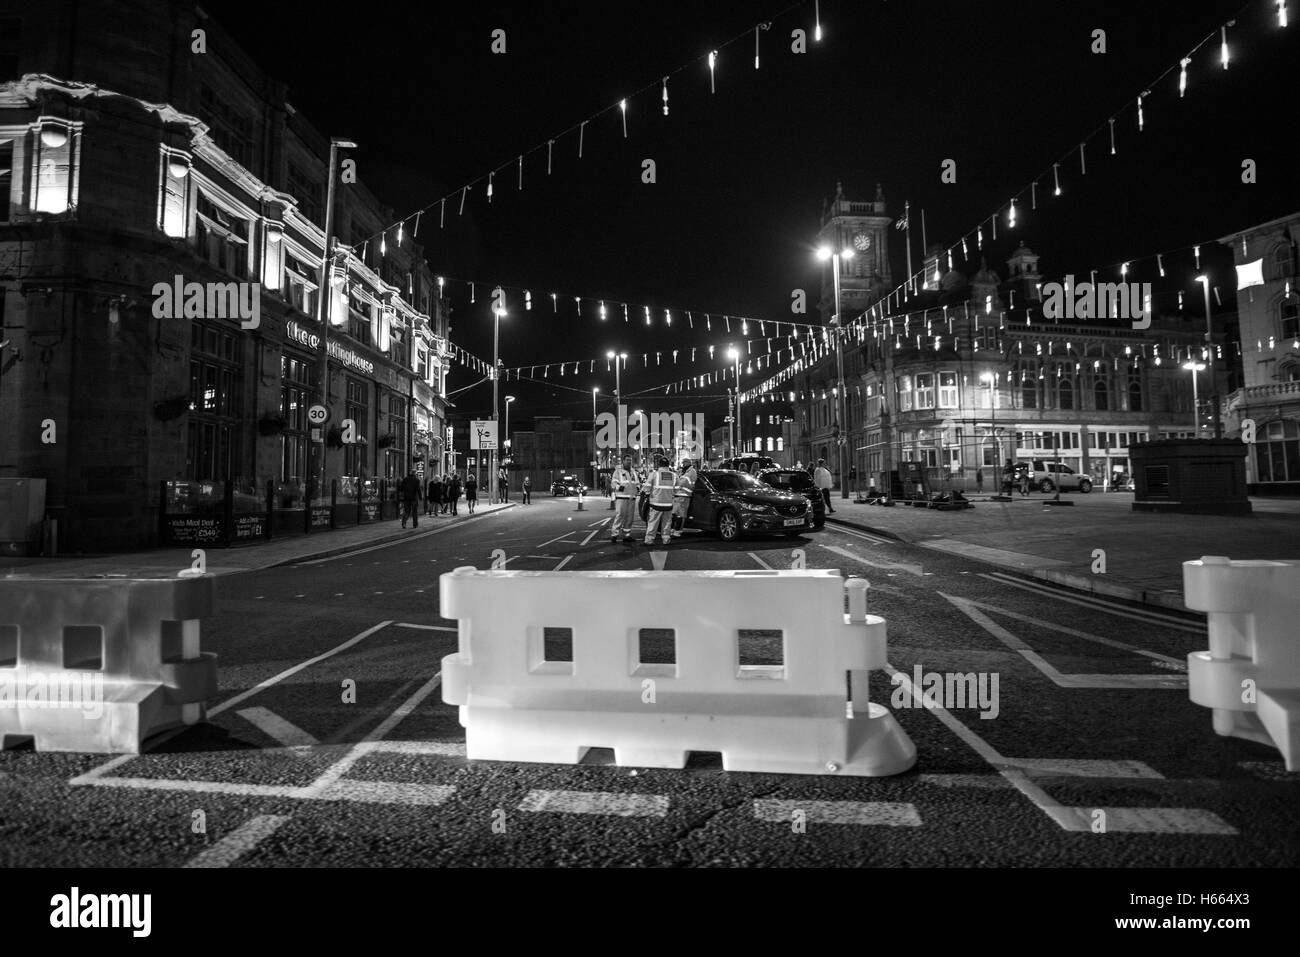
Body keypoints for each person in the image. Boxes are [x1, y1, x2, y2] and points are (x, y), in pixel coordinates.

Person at [642, 455, 678, 546]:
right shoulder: (674, 475)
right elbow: (677, 490)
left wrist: (648, 494)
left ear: (659, 465)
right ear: (668, 465)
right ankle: (666, 540)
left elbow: (646, 488)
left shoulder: (654, 474)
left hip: (656, 503)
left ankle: (649, 540)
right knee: (667, 523)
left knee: (653, 522)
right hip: (668, 504)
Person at [610, 454, 637, 542]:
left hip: (631, 498)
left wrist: (638, 488)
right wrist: (619, 487)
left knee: (630, 517)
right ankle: (614, 535)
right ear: (623, 461)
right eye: (627, 460)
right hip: (622, 497)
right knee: (620, 516)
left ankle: (627, 535)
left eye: (630, 460)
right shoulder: (618, 471)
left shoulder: (633, 471)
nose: (629, 462)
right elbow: (613, 482)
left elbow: (637, 482)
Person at [670, 459, 696, 538]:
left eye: (683, 463)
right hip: (680, 495)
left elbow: (682, 482)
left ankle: (678, 531)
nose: (682, 465)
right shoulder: (686, 471)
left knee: (680, 515)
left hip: (684, 495)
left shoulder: (691, 472)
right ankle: (674, 529)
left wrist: (674, 486)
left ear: (687, 463)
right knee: (676, 514)